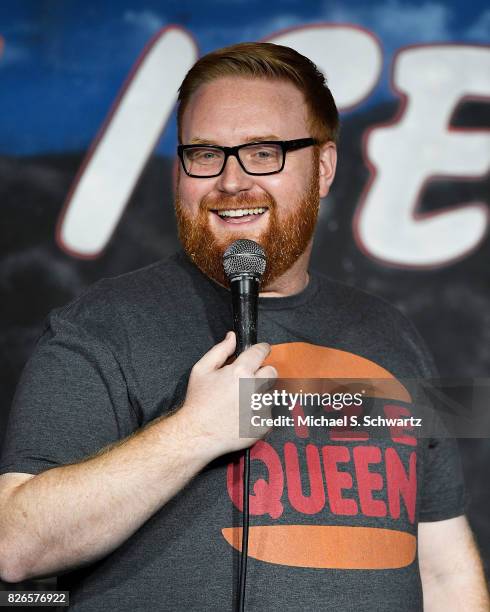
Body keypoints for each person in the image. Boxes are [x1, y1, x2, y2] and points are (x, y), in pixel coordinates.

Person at [0, 42, 488, 611]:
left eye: (263, 152)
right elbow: (15, 545)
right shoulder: (102, 324)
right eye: (205, 154)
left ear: (324, 167)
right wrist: (195, 432)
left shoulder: (391, 332)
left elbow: (445, 568)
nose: (231, 181)